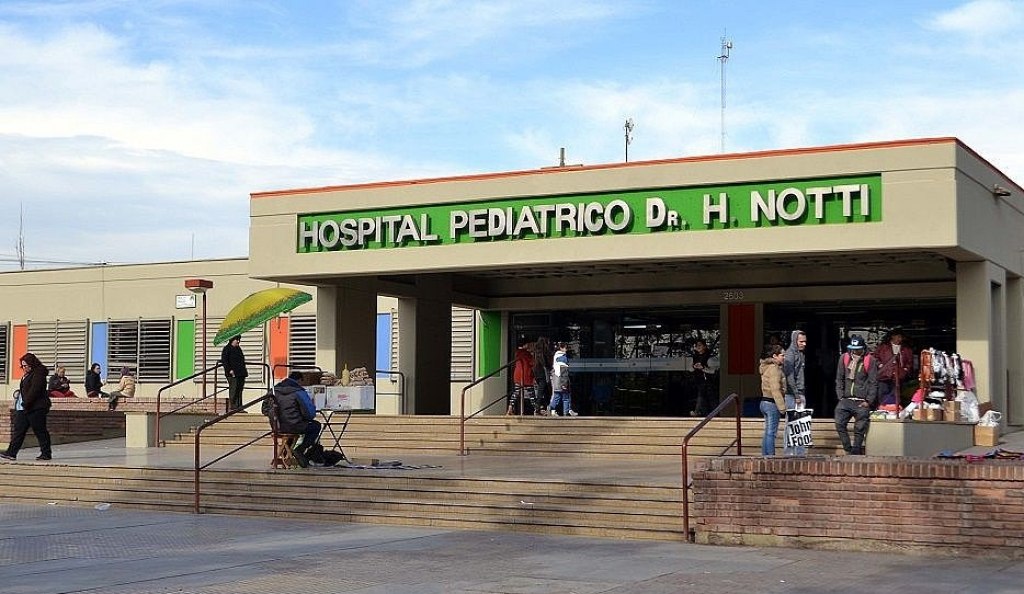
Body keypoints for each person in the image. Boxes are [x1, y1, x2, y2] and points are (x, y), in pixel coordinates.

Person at [2, 353, 53, 461]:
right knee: (19, 430)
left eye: (25, 365)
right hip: (25, 408)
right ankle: (11, 453)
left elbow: (35, 390)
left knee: (40, 430)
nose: (24, 368)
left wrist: (26, 403)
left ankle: (46, 453)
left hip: (36, 407)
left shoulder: (39, 374)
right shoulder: (27, 374)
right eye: (22, 366)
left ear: (31, 364)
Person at [834, 334, 879, 455]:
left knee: (859, 429)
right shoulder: (844, 358)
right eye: (853, 349)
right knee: (839, 423)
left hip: (861, 400)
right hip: (846, 399)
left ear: (863, 348)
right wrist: (840, 396)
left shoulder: (870, 360)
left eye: (857, 349)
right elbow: (839, 378)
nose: (854, 351)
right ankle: (848, 448)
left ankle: (856, 452)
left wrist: (868, 401)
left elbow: (873, 382)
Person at [272, 371, 321, 468]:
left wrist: (273, 416)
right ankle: (300, 450)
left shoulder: (274, 391)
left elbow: (264, 408)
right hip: (295, 425)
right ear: (299, 380)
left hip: (277, 426)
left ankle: (285, 454)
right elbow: (310, 413)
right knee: (316, 426)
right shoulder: (299, 392)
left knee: (290, 430)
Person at [782, 330, 808, 456]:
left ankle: (800, 452)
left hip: (799, 392)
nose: (804, 344)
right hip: (793, 394)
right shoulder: (790, 354)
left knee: (800, 423)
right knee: (792, 423)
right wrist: (796, 394)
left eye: (805, 341)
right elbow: (789, 376)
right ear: (795, 341)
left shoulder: (800, 354)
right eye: (801, 341)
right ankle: (790, 452)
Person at [758, 344, 787, 456]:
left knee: (767, 432)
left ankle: (765, 456)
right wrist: (782, 408)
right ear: (775, 356)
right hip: (772, 403)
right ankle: (770, 458)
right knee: (771, 433)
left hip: (764, 402)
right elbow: (775, 389)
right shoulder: (774, 369)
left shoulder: (767, 368)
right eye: (782, 355)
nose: (784, 357)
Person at [875, 328, 913, 407]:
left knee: (896, 396)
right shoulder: (883, 347)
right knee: (883, 395)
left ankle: (895, 410)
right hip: (884, 376)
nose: (900, 339)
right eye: (898, 336)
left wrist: (905, 370)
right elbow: (875, 357)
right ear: (892, 336)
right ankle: (883, 409)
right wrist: (880, 365)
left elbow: (910, 362)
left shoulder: (906, 349)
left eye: (901, 337)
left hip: (898, 377)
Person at [689, 339, 719, 416]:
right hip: (699, 380)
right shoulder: (695, 357)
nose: (698, 347)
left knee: (709, 397)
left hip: (709, 381)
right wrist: (694, 367)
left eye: (700, 345)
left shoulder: (709, 357)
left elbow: (713, 371)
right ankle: (702, 413)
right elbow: (690, 369)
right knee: (703, 397)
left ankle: (699, 412)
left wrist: (703, 368)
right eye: (696, 345)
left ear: (704, 346)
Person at [220, 335, 248, 410]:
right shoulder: (227, 349)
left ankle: (239, 406)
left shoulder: (238, 349)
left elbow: (241, 360)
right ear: (232, 340)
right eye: (237, 340)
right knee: (234, 389)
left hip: (240, 373)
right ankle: (233, 406)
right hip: (232, 374)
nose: (238, 341)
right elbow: (225, 361)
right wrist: (229, 370)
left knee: (239, 390)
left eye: (239, 340)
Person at [508, 340, 536, 415]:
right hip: (526, 375)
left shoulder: (517, 353)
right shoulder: (527, 354)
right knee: (531, 393)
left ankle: (510, 407)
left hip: (518, 375)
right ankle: (536, 409)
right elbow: (533, 363)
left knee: (516, 392)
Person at [548, 342, 576, 416]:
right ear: (561, 348)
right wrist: (564, 384)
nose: (566, 350)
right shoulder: (563, 358)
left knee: (556, 396)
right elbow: (564, 372)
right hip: (562, 382)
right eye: (565, 348)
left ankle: (551, 408)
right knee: (566, 397)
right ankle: (566, 413)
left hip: (556, 381)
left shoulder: (556, 356)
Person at [532, 337, 553, 415]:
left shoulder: (535, 351)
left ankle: (548, 407)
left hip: (536, 372)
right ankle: (538, 408)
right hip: (542, 372)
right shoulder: (542, 351)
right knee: (542, 390)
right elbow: (544, 362)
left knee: (545, 390)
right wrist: (548, 367)